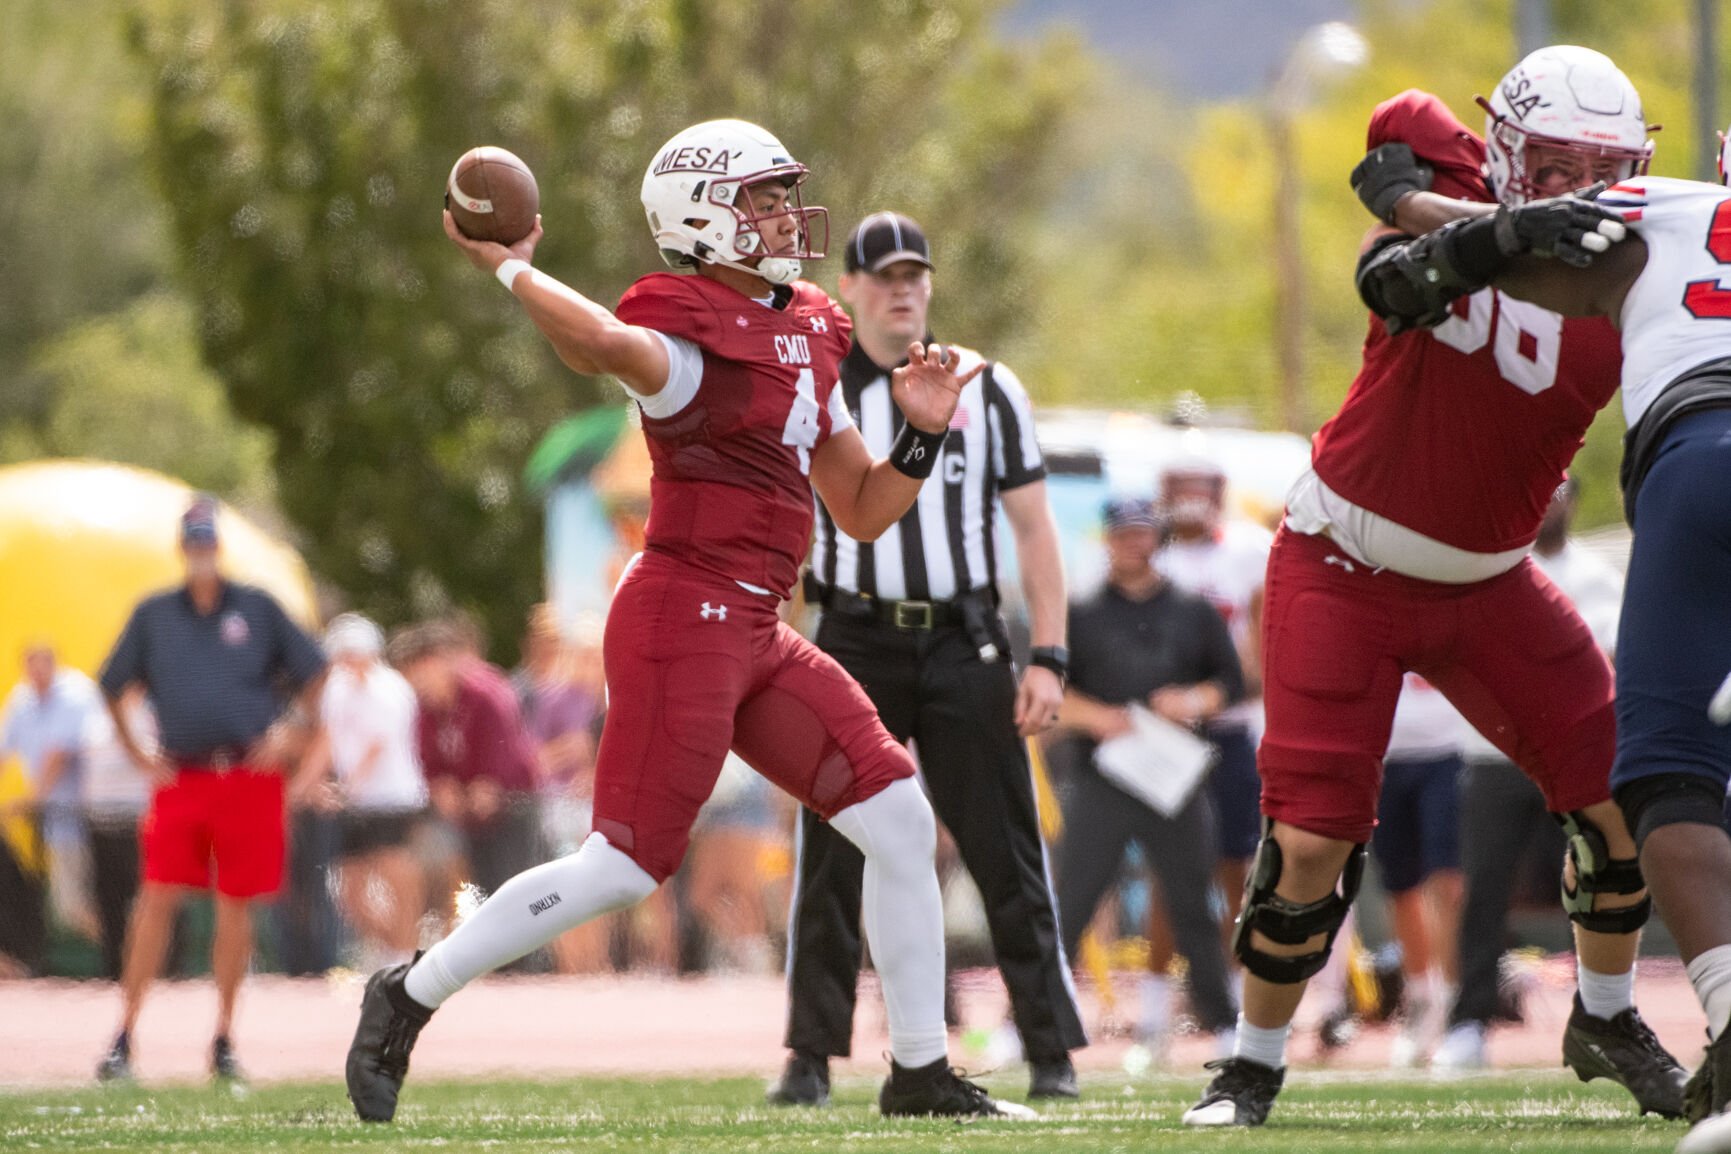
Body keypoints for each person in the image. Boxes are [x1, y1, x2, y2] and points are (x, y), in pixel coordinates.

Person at [345, 118, 1030, 1123]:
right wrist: (512, 268)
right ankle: (409, 991)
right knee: (623, 867)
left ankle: (921, 1070)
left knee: (897, 816)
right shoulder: (686, 332)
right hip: (682, 616)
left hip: (755, 625)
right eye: (763, 199)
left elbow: (862, 506)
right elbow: (600, 343)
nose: (786, 216)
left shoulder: (808, 327)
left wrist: (920, 436)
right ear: (703, 217)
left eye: (784, 195)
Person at [1185, 48, 1684, 1127]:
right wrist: (1494, 227)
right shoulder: (1458, 190)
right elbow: (1389, 229)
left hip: (1493, 582)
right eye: (1550, 166)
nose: (1574, 189)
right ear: (1503, 152)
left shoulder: (1644, 264)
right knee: (1311, 840)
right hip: (1341, 562)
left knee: (1625, 798)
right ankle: (1250, 1064)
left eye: (1598, 170)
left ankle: (1605, 1015)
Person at [1361, 108, 1731, 1147]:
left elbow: (1509, 237)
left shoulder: (1678, 208)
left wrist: (1398, 197)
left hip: (1702, 453)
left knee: (1665, 770)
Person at [770, 210, 1083, 1106]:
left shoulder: (987, 387)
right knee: (832, 849)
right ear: (851, 288)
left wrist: (1048, 654)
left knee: (1003, 845)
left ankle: (1050, 1049)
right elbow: (786, 523)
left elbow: (1034, 529)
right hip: (852, 634)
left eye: (915, 275)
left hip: (961, 635)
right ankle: (810, 1055)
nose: (902, 290)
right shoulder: (818, 383)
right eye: (885, 276)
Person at [94, 495, 327, 1084]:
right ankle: (125, 1033)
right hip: (183, 774)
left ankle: (223, 1036)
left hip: (246, 775)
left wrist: (290, 731)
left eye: (208, 541)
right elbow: (111, 682)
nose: (201, 552)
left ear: (219, 547)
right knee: (156, 897)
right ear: (183, 548)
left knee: (235, 904)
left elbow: (315, 672)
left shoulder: (257, 607)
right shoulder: (155, 614)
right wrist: (136, 752)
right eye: (193, 541)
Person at [1433, 476, 1621, 1070]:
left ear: (1573, 502)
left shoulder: (1594, 576)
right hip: (1494, 757)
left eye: (1557, 494)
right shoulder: (1481, 571)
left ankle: (1607, 1016)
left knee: (1598, 882)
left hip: (1573, 755)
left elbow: (1606, 660)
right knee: (1483, 892)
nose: (1546, 505)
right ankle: (1468, 1021)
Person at [1051, 497, 1243, 1051]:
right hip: (1102, 776)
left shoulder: (1192, 610)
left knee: (1193, 903)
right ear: (1108, 540)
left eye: (1143, 533)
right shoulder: (1078, 611)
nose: (1134, 544)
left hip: (1173, 777)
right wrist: (1098, 717)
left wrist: (1190, 701)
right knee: (1074, 900)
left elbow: (1230, 683)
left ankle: (1222, 1025)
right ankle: (1034, 1021)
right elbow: (1048, 691)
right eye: (1124, 534)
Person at [296, 614, 428, 965]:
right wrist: (302, 787)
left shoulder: (390, 689)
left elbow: (376, 745)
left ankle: (404, 953)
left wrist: (343, 789)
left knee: (396, 873)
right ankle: (395, 949)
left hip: (392, 798)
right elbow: (328, 738)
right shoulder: (336, 689)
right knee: (349, 889)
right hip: (356, 802)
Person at [389, 622, 543, 915]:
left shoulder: (484, 694)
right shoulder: (427, 709)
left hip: (513, 805)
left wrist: (488, 785)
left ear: (439, 661)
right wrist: (440, 787)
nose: (419, 682)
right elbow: (428, 761)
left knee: (522, 890)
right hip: (471, 816)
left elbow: (505, 750)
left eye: (421, 670)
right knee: (486, 893)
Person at [1374, 674, 1468, 1068]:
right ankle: (1420, 1000)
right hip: (1383, 754)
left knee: (1447, 881)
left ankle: (1450, 1007)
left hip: (1448, 748)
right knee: (1400, 887)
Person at [0, 643, 103, 956]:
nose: (37, 673)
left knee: (78, 903)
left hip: (90, 816)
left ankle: (131, 956)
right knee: (71, 905)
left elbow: (58, 755)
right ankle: (127, 956)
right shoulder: (23, 700)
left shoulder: (75, 695)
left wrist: (30, 800)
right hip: (58, 822)